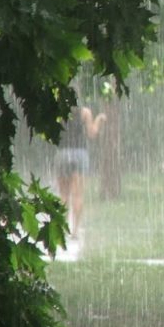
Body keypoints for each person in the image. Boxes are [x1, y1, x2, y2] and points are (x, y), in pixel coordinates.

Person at [54, 102, 107, 239]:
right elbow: (92, 133)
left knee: (64, 196)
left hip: (63, 153)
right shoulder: (85, 112)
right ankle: (75, 231)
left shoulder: (57, 111)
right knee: (77, 195)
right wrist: (99, 119)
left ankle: (62, 229)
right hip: (80, 153)